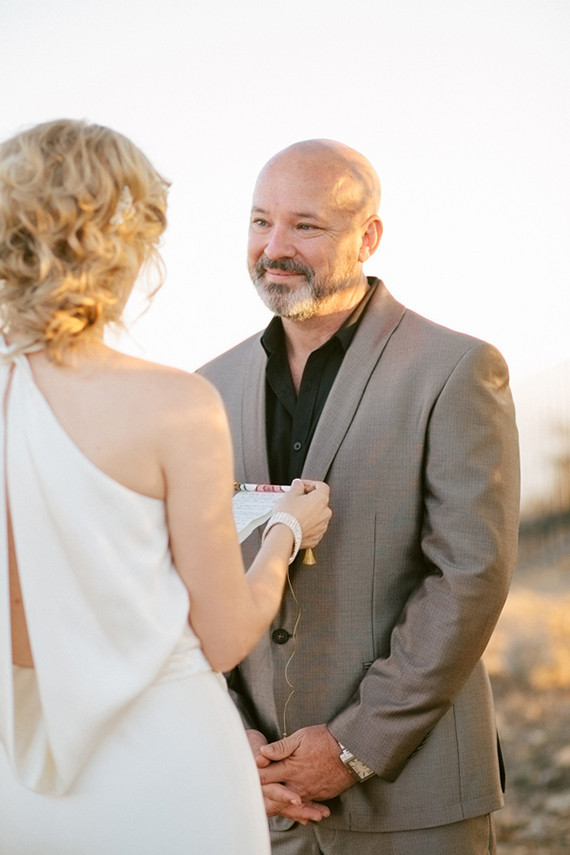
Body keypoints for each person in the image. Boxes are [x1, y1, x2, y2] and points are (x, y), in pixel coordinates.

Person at [0, 119, 332, 855]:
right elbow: (224, 633)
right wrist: (283, 528)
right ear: (123, 243)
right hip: (167, 761)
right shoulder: (172, 403)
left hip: (18, 774)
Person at [199, 139, 521, 855]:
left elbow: (469, 577)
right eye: (259, 222)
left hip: (415, 798)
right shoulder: (204, 391)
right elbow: (190, 581)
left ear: (367, 236)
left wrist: (350, 746)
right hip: (253, 800)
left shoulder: (456, 368)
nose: (274, 247)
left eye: (305, 225)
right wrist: (225, 738)